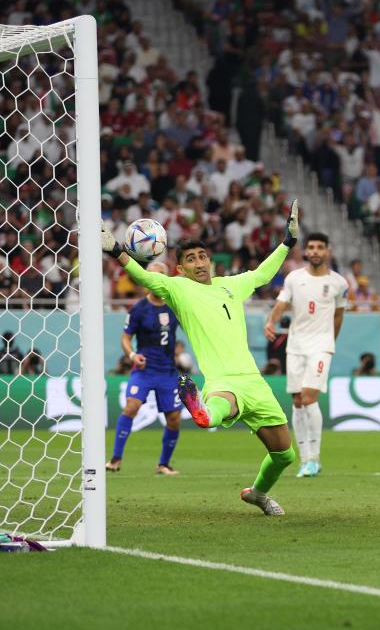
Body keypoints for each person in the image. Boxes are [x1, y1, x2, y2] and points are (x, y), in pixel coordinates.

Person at [100, 201, 300, 516]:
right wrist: (116, 253)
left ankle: (258, 495)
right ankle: (204, 412)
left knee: (285, 454)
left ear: (211, 261)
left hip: (254, 381)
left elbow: (263, 274)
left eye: (203, 256)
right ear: (180, 269)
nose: (199, 262)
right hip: (222, 381)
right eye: (191, 259)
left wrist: (288, 242)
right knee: (221, 406)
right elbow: (147, 279)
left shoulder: (232, 285)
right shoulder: (178, 289)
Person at [264, 232, 348, 478]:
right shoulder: (293, 278)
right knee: (298, 401)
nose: (314, 251)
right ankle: (305, 459)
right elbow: (281, 303)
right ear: (305, 251)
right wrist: (271, 321)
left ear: (327, 251)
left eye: (320, 247)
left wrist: (330, 341)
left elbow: (339, 315)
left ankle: (314, 458)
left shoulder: (339, 283)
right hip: (296, 345)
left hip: (321, 346)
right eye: (311, 247)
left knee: (310, 397)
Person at [106, 262, 184, 475]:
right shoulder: (139, 308)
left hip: (168, 372)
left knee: (174, 419)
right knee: (131, 407)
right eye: (150, 277)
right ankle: (115, 459)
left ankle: (164, 464)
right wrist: (132, 355)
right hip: (144, 370)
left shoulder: (175, 305)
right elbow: (125, 337)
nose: (154, 281)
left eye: (159, 277)